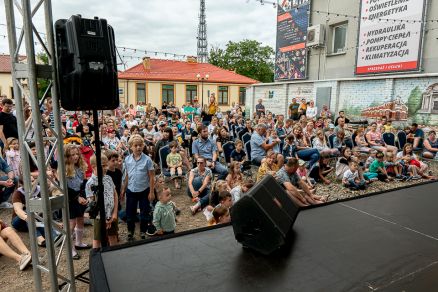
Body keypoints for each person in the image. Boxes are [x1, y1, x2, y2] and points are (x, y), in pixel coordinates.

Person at [121, 134, 155, 240]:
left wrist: (151, 191)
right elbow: (127, 175)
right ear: (131, 147)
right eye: (135, 145)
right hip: (131, 189)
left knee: (145, 211)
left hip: (144, 190)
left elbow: (151, 177)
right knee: (130, 212)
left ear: (143, 146)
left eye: (140, 145)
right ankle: (130, 231)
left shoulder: (147, 160)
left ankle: (143, 231)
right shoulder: (127, 160)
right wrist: (123, 189)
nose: (138, 147)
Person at [85, 154, 118, 248]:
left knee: (113, 236)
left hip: (111, 214)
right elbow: (93, 204)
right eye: (103, 166)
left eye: (106, 165)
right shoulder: (90, 183)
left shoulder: (108, 178)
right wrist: (103, 218)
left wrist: (114, 213)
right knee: (97, 239)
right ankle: (96, 258)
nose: (106, 168)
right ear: (94, 167)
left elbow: (115, 195)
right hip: (99, 217)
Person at [64, 143, 91, 260]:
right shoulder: (64, 168)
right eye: (72, 155)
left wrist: (85, 196)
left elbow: (83, 183)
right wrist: (77, 197)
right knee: (71, 223)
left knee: (80, 219)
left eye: (77, 154)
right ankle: (70, 249)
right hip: (70, 199)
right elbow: (65, 188)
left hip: (79, 197)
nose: (75, 157)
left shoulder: (80, 167)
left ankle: (78, 242)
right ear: (66, 156)